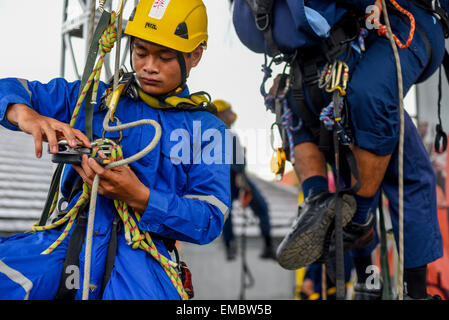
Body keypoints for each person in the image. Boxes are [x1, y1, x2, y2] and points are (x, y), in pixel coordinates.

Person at [0, 0, 230, 300]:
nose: (149, 66)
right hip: (69, 240)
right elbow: (12, 89)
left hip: (143, 259)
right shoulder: (93, 99)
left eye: (164, 57)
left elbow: (209, 218)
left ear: (195, 55)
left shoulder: (206, 129)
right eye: (140, 52)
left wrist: (139, 196)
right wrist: (26, 115)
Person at [232, 0, 448, 299]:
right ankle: (412, 289)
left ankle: (328, 215)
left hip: (316, 70)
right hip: (354, 57)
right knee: (401, 173)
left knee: (350, 172)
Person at [213, 99, 276, 260]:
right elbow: (237, 164)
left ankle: (230, 246)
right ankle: (265, 245)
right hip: (233, 177)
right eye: (228, 112)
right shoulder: (224, 134)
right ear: (220, 114)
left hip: (228, 179)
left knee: (226, 210)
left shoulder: (213, 134)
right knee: (259, 208)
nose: (231, 116)